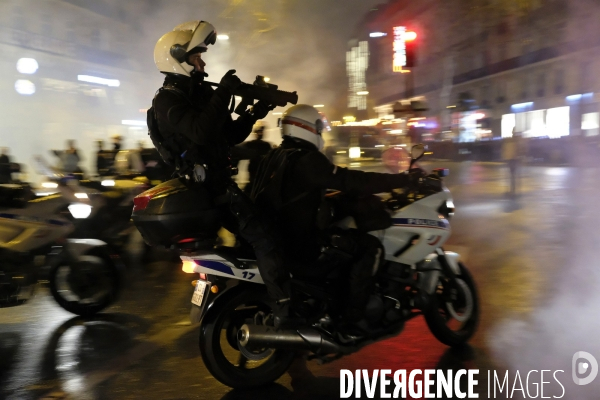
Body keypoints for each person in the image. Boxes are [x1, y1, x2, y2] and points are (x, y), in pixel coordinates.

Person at [151, 21, 294, 326]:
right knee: (265, 238)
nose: (202, 62)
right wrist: (224, 92)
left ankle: (256, 297)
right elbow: (199, 132)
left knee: (254, 237)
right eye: (196, 56)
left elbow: (227, 135)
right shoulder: (167, 100)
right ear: (176, 58)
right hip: (208, 190)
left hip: (218, 185)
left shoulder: (197, 95)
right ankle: (286, 313)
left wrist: (255, 110)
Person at [250, 104, 417, 334]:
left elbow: (295, 193)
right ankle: (352, 318)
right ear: (305, 128)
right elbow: (353, 180)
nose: (321, 133)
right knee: (370, 247)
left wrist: (331, 196)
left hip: (274, 238)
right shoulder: (308, 160)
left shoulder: (275, 155)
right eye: (318, 128)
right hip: (302, 244)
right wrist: (401, 180)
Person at [231, 123, 273, 193]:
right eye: (259, 131)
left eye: (261, 131)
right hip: (256, 179)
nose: (260, 133)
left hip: (258, 179)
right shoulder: (264, 146)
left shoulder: (263, 146)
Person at [502, 128, 526, 197]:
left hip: (513, 159)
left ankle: (513, 190)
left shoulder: (515, 140)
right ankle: (513, 190)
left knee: (512, 176)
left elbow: (518, 150)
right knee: (513, 176)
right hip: (511, 159)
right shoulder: (513, 140)